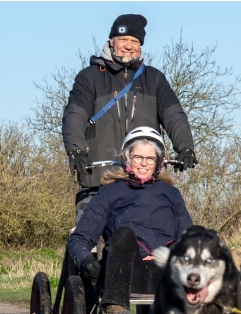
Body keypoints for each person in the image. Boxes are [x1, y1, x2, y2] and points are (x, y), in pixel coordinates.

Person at [62, 13, 198, 225]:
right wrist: (76, 151)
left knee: (153, 242)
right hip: (99, 178)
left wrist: (186, 147)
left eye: (134, 41)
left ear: (140, 46)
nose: (128, 46)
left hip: (144, 182)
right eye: (123, 40)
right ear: (111, 42)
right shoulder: (89, 78)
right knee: (87, 245)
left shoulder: (154, 79)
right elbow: (75, 115)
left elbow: (174, 114)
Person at [68, 126, 193, 314]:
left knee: (199, 236)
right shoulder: (109, 192)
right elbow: (81, 237)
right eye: (138, 157)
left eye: (150, 158)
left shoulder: (171, 193)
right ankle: (116, 309)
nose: (144, 163)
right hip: (123, 268)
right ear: (127, 158)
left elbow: (188, 234)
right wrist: (85, 260)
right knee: (125, 233)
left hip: (167, 269)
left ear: (158, 162)